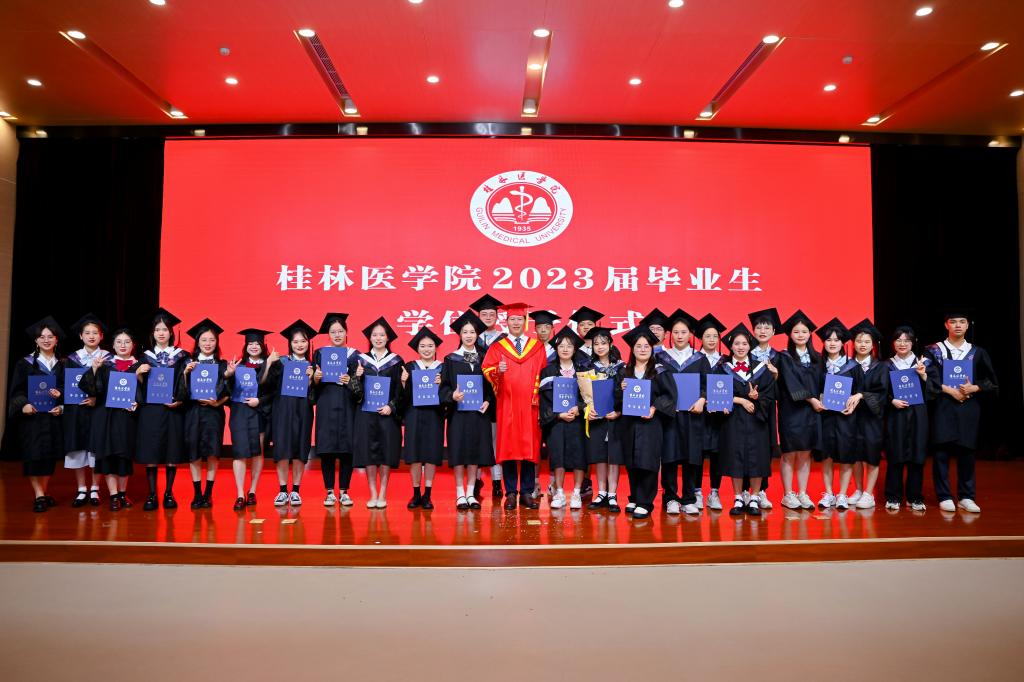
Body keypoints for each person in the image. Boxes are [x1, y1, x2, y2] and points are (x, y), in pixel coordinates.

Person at [926, 310, 998, 513]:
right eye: (953, 321)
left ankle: (966, 496)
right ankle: (944, 496)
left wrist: (975, 387)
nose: (957, 325)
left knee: (967, 452)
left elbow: (991, 381)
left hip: (968, 407)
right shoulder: (934, 351)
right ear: (946, 325)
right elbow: (927, 379)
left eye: (962, 321)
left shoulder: (977, 352)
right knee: (941, 452)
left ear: (967, 325)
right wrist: (951, 391)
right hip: (943, 406)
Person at [482, 303, 547, 510]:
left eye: (519, 319)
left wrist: (538, 399)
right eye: (512, 319)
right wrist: (497, 370)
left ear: (525, 322)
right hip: (507, 404)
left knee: (529, 447)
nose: (516, 323)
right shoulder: (498, 347)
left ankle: (527, 492)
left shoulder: (536, 347)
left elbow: (544, 374)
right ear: (507, 322)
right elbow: (487, 370)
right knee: (508, 447)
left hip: (530, 405)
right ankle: (510, 493)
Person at [714, 324, 776, 517]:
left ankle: (755, 497)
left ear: (750, 346)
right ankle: (738, 497)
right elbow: (717, 395)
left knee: (758, 457)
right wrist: (740, 400)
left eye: (744, 344)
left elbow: (769, 395)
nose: (740, 347)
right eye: (737, 344)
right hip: (733, 420)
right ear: (731, 346)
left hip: (756, 419)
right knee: (735, 457)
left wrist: (758, 397)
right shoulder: (722, 368)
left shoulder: (761, 368)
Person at [135, 308, 190, 511]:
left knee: (171, 451)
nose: (161, 333)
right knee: (151, 452)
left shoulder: (182, 356)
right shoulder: (144, 357)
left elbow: (186, 385)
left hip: (172, 409)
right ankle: (152, 494)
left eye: (165, 329)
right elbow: (140, 387)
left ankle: (168, 493)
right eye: (157, 329)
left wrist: (180, 400)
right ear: (153, 333)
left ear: (171, 333)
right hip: (151, 411)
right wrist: (138, 374)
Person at [80, 327, 140, 511]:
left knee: (124, 456)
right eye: (119, 342)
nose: (123, 345)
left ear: (133, 345)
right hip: (106, 416)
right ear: (112, 345)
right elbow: (91, 389)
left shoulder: (139, 366)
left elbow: (145, 393)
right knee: (108, 456)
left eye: (127, 342)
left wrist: (137, 402)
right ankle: (113, 495)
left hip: (126, 417)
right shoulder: (105, 365)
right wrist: (94, 369)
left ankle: (122, 493)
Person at [440, 311, 495, 510]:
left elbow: (491, 388)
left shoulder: (485, 359)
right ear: (460, 335)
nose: (469, 335)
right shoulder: (450, 359)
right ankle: (459, 494)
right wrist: (452, 396)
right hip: (458, 414)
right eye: (465, 332)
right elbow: (444, 387)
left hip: (478, 414)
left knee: (474, 453)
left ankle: (471, 493)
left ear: (477, 334)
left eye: (472, 332)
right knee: (459, 453)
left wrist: (488, 401)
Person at [8, 316, 65, 512]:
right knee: (33, 456)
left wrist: (61, 405)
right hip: (32, 419)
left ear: (56, 340)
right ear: (36, 340)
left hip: (53, 417)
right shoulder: (25, 364)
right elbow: (16, 391)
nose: (46, 340)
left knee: (49, 457)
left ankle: (44, 491)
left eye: (50, 336)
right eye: (42, 337)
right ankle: (39, 494)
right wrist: (23, 404)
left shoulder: (63, 364)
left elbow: (68, 390)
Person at [616, 326, 672, 519]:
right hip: (629, 424)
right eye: (638, 346)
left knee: (647, 461)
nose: (642, 349)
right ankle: (634, 496)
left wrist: (654, 408)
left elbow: (670, 395)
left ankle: (645, 502)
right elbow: (616, 400)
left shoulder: (659, 371)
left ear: (652, 348)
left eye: (646, 346)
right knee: (632, 461)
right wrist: (621, 389)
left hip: (650, 424)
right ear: (632, 349)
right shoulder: (624, 372)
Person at [656, 308, 705, 515]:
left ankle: (689, 498)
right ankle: (670, 497)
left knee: (690, 456)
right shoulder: (661, 358)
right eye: (675, 332)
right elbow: (656, 386)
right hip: (669, 415)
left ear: (690, 334)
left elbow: (706, 384)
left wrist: (702, 399)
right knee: (669, 456)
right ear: (670, 334)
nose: (679, 336)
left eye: (683, 332)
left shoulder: (699, 358)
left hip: (692, 414)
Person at [178, 318, 230, 509]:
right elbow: (180, 393)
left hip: (213, 413)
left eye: (212, 340)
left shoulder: (222, 364)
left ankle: (208, 494)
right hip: (193, 412)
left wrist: (217, 402)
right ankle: (197, 493)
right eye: (204, 340)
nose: (208, 343)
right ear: (197, 342)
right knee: (194, 453)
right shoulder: (188, 363)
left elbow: (229, 392)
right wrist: (185, 373)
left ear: (217, 343)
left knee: (213, 453)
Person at [354, 317, 405, 509]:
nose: (378, 338)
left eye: (382, 335)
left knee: (386, 453)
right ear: (370, 338)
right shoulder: (361, 360)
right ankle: (373, 493)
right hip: (366, 415)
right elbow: (354, 392)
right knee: (369, 454)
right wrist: (356, 377)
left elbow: (400, 391)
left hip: (387, 415)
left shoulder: (396, 361)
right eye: (374, 335)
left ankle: (383, 493)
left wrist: (391, 406)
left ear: (388, 337)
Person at [266, 319, 317, 507]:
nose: (299, 345)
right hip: (282, 411)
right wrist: (269, 363)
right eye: (295, 341)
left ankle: (295, 490)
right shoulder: (281, 362)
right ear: (290, 343)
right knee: (282, 449)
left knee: (299, 449)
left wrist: (312, 380)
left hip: (303, 411)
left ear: (308, 343)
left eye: (303, 341)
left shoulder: (312, 366)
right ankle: (282, 490)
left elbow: (315, 397)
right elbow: (268, 386)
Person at [312, 313, 361, 508]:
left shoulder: (355, 355)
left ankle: (345, 491)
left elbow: (360, 387)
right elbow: (313, 385)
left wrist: (352, 380)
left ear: (346, 333)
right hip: (326, 403)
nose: (337, 335)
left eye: (340, 331)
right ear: (328, 334)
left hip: (347, 405)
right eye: (333, 332)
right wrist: (316, 378)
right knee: (327, 449)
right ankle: (330, 492)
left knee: (347, 449)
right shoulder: (320, 354)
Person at [775, 310, 822, 511]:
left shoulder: (817, 358)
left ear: (810, 333)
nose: (800, 335)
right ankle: (788, 494)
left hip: (812, 412)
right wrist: (812, 399)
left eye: (804, 331)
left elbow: (823, 382)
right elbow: (789, 383)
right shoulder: (784, 357)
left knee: (805, 452)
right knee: (789, 452)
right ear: (790, 334)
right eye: (796, 331)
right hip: (791, 410)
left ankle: (802, 492)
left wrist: (823, 398)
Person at [63, 314, 110, 507]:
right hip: (76, 410)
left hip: (98, 410)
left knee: (95, 449)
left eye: (95, 333)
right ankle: (82, 489)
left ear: (101, 336)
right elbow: (66, 385)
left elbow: (111, 387)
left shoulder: (108, 359)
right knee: (78, 448)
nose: (91, 336)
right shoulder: (72, 359)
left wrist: (97, 398)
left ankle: (95, 488)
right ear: (81, 336)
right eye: (87, 333)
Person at [539, 327, 588, 510]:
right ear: (556, 349)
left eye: (569, 346)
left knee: (579, 456)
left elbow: (589, 397)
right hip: (557, 421)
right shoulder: (548, 371)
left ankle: (576, 492)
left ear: (575, 349)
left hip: (578, 420)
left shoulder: (583, 371)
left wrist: (579, 408)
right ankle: (559, 492)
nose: (565, 349)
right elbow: (544, 400)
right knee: (557, 456)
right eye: (561, 346)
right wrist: (558, 414)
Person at [885, 326, 932, 511]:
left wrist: (923, 375)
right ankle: (893, 496)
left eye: (906, 340)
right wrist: (891, 400)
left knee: (917, 455)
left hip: (918, 414)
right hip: (896, 414)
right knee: (895, 454)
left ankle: (915, 497)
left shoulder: (923, 363)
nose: (902, 344)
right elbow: (880, 391)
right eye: (898, 340)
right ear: (893, 343)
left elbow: (935, 389)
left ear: (913, 343)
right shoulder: (886, 365)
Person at [816, 318, 861, 510]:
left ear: (843, 343)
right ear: (824, 343)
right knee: (826, 455)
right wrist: (819, 400)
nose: (832, 343)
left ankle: (842, 494)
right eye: (828, 340)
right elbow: (814, 389)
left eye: (836, 340)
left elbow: (860, 390)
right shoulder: (818, 365)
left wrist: (854, 400)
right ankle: (828, 493)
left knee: (846, 455)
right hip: (825, 416)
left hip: (846, 417)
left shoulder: (853, 366)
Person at [226, 328, 273, 510]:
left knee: (258, 452)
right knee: (239, 452)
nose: (254, 346)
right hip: (239, 411)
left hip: (259, 411)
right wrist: (229, 375)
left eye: (257, 343)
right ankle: (240, 494)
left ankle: (252, 490)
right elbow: (228, 390)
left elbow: (274, 392)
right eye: (250, 343)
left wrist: (259, 401)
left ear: (263, 345)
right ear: (246, 346)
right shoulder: (238, 365)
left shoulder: (271, 365)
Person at [402, 328, 445, 510]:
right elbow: (403, 397)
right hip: (414, 414)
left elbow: (447, 395)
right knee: (415, 455)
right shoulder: (409, 367)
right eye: (422, 346)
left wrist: (442, 384)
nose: (427, 349)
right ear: (417, 348)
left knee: (430, 455)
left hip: (434, 415)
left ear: (435, 348)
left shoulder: (443, 368)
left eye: (430, 346)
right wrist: (404, 382)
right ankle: (416, 493)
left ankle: (427, 494)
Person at [582, 327, 624, 512]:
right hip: (597, 419)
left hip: (615, 419)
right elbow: (581, 395)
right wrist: (587, 409)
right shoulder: (587, 368)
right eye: (596, 344)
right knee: (599, 456)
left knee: (613, 457)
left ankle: (612, 495)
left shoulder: (622, 367)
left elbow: (627, 395)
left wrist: (619, 412)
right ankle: (601, 493)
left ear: (610, 344)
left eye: (603, 343)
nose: (599, 347)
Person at [746, 307, 783, 509]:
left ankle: (761, 491)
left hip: (767, 408)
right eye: (759, 327)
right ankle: (745, 490)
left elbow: (784, 388)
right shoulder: (744, 352)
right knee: (745, 445)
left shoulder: (779, 357)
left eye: (767, 327)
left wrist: (776, 376)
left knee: (765, 447)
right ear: (753, 330)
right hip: (748, 407)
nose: (762, 331)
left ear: (774, 331)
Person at [469, 293, 505, 499]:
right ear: (478, 316)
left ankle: (497, 481)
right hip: (477, 395)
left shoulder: (504, 339)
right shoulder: (471, 337)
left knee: (496, 439)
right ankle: (475, 480)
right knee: (476, 438)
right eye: (484, 314)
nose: (488, 317)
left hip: (498, 394)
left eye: (492, 314)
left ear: (497, 316)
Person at [848, 319, 887, 509]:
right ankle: (858, 489)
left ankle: (868, 493)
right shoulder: (847, 366)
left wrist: (862, 395)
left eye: (866, 342)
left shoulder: (881, 367)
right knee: (855, 454)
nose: (862, 345)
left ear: (873, 345)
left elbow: (883, 392)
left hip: (872, 417)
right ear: (853, 343)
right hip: (851, 416)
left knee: (871, 454)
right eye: (859, 341)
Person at [694, 313, 727, 510]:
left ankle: (714, 492)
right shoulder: (693, 359)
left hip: (719, 416)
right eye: (707, 336)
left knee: (717, 454)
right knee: (696, 453)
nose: (712, 339)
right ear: (701, 338)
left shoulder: (725, 361)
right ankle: (697, 491)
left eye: (715, 336)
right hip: (699, 414)